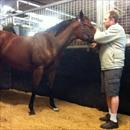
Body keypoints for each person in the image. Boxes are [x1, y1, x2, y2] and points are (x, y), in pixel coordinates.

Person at [90, 10, 126, 129]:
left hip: (113, 65)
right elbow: (103, 41)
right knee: (108, 93)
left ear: (112, 20)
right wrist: (98, 45)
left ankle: (114, 121)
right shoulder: (110, 31)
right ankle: (111, 115)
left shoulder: (116, 28)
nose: (104, 21)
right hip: (107, 65)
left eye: (105, 19)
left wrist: (96, 30)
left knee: (113, 93)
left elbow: (99, 37)